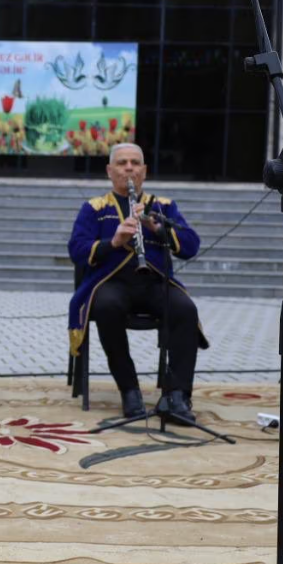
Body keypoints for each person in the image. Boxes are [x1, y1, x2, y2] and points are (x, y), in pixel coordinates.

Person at [67, 142, 206, 423]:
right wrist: (114, 241)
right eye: (122, 163)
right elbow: (77, 250)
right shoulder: (94, 208)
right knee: (106, 307)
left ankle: (177, 395)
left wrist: (160, 229)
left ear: (144, 171)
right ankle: (129, 389)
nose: (129, 168)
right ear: (110, 171)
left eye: (135, 163)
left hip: (155, 283)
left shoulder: (162, 206)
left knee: (185, 309)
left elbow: (191, 245)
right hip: (111, 283)